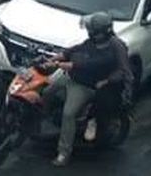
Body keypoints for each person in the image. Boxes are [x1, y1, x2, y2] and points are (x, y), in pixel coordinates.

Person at [44, 12, 124, 167]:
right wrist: (55, 58)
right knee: (46, 92)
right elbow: (75, 50)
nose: (90, 33)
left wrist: (65, 64)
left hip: (85, 86)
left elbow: (89, 64)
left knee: (69, 114)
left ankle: (63, 153)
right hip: (70, 77)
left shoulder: (112, 49)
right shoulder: (92, 42)